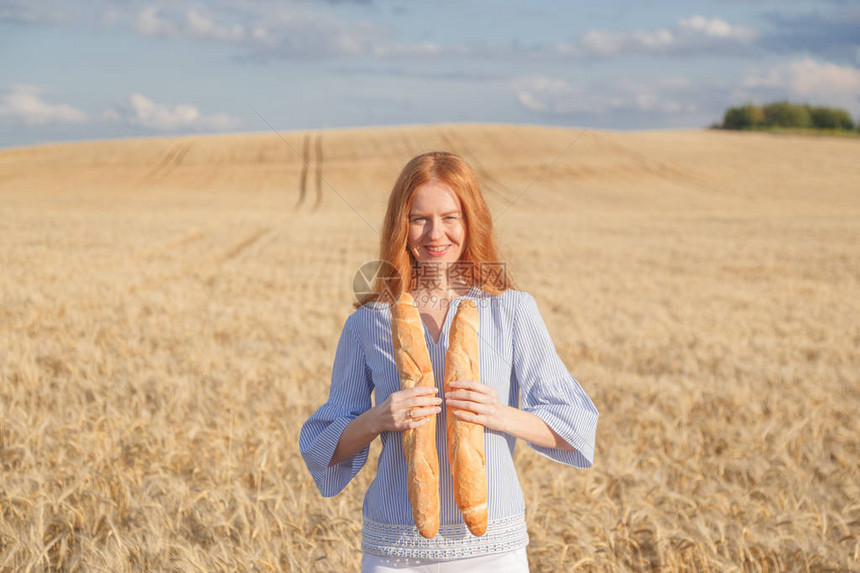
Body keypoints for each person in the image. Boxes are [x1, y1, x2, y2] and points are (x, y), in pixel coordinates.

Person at [299, 151, 598, 572]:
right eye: (419, 218)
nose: (434, 234)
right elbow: (320, 449)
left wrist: (500, 414)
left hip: (493, 548)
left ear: (470, 220)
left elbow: (577, 426)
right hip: (397, 549)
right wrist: (377, 419)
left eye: (450, 217)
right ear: (400, 226)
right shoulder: (368, 322)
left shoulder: (510, 310)